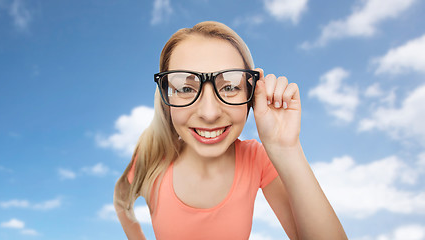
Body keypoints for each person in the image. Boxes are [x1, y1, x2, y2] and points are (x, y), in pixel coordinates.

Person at [114, 21, 347, 240]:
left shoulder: (256, 159)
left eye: (230, 87)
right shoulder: (153, 158)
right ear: (166, 97)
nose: (209, 113)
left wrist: (286, 147)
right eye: (186, 87)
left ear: (251, 94)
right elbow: (121, 199)